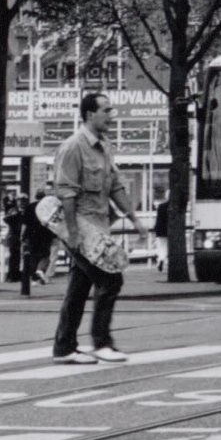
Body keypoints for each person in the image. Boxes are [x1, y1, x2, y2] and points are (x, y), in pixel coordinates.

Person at [46, 91, 143, 366]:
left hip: (100, 229)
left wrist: (134, 218)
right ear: (90, 114)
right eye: (106, 110)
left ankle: (64, 347)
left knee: (79, 287)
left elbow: (115, 187)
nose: (111, 116)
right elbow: (66, 193)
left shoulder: (105, 146)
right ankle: (102, 343)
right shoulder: (72, 147)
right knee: (111, 280)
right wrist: (73, 233)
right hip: (81, 229)